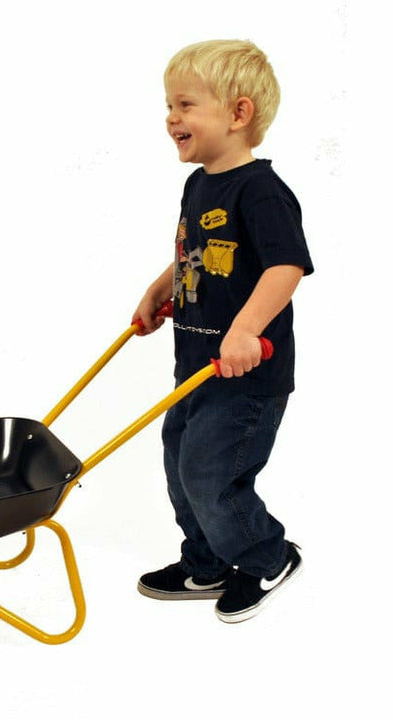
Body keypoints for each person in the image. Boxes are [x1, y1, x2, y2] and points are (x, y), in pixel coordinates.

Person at [132, 39, 313, 623]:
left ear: (238, 113)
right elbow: (193, 252)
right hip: (195, 369)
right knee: (181, 467)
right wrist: (159, 289)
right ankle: (206, 563)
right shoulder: (199, 185)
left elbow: (287, 267)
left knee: (211, 475)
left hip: (246, 377)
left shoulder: (261, 190)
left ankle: (268, 556)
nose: (171, 118)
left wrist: (245, 329)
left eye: (185, 105)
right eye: (169, 106)